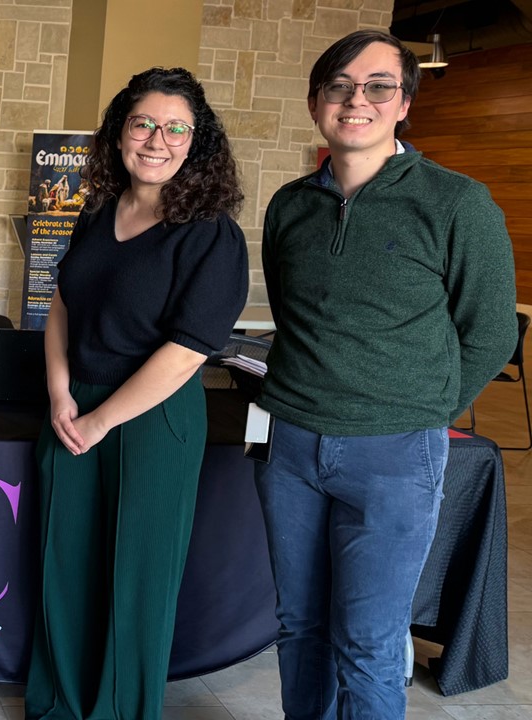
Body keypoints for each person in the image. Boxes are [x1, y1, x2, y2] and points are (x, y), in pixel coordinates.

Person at [256, 30, 516, 718]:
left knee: (368, 644)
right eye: (339, 86)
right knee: (299, 627)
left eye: (378, 87)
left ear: (404, 104)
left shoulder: (458, 203)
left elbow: (491, 332)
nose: (356, 101)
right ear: (316, 102)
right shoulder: (289, 205)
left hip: (396, 454)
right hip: (292, 446)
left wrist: (421, 407)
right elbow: (294, 312)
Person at [27, 67, 248, 719]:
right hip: (73, 408)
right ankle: (61, 706)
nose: (157, 140)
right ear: (119, 131)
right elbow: (63, 303)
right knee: (66, 565)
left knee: (136, 580)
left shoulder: (210, 232)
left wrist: (102, 421)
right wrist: (61, 392)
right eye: (143, 123)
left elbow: (187, 352)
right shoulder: (98, 211)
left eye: (176, 128)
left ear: (197, 142)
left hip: (153, 417)